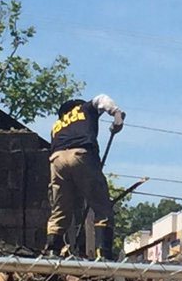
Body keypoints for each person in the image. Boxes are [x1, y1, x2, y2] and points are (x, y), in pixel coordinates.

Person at [45, 94, 125, 260]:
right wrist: (117, 114)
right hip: (81, 153)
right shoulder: (84, 109)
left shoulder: (57, 125)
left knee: (60, 208)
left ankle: (52, 250)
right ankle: (103, 253)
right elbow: (101, 99)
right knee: (101, 205)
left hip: (57, 159)